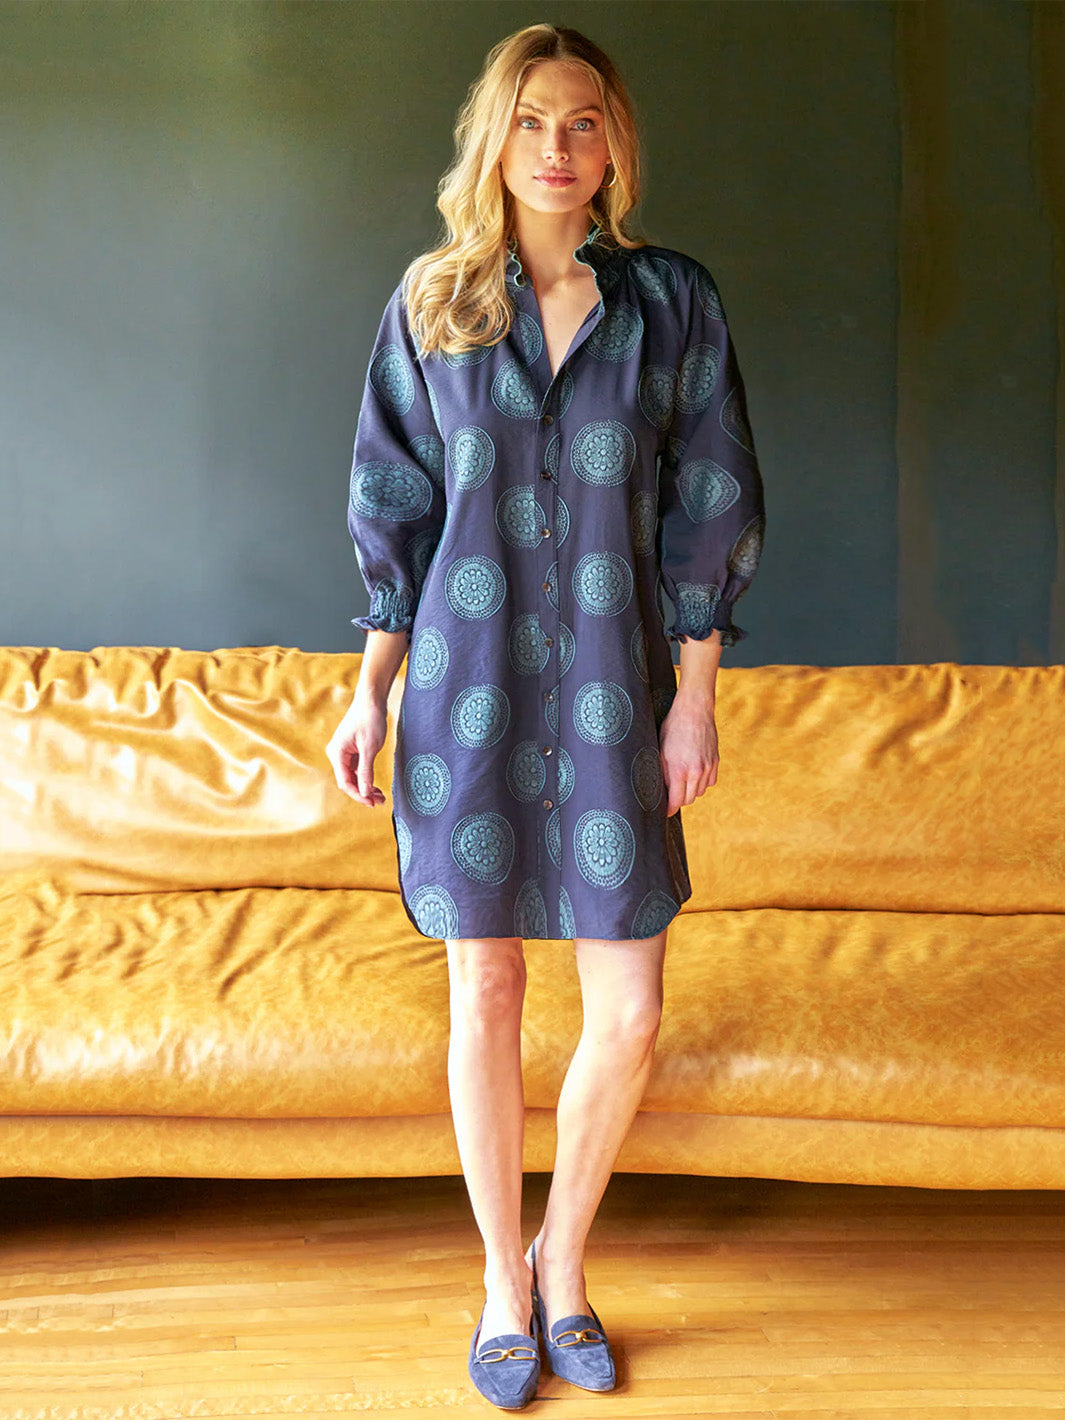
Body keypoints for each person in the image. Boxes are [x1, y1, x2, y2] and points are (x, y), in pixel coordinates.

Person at [327, 21, 766, 1410]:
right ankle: (502, 1288)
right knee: (489, 988)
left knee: (626, 1011)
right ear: (494, 139)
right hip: (463, 690)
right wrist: (369, 691)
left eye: (581, 121)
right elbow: (395, 508)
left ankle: (564, 1259)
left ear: (614, 142)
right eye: (530, 120)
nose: (557, 146)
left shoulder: (671, 304)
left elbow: (712, 504)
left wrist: (694, 700)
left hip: (613, 694)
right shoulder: (434, 303)